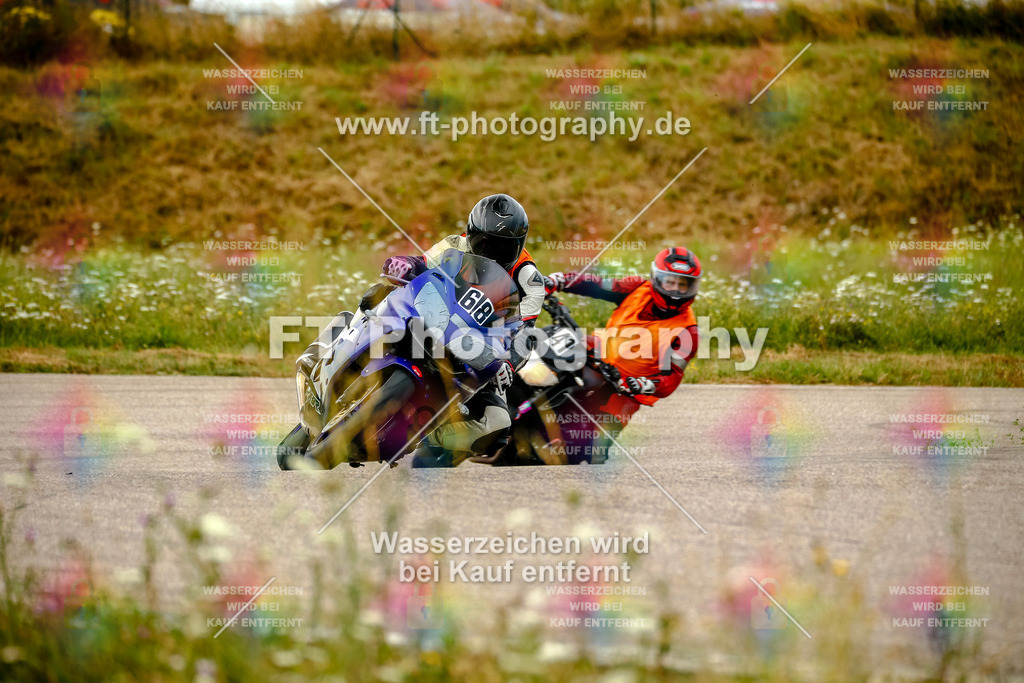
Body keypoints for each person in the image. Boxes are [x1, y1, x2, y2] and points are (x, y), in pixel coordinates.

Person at [358, 194, 546, 467]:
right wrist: (406, 264)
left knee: (497, 423)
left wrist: (508, 362)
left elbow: (525, 334)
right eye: (484, 244)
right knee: (378, 297)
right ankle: (346, 344)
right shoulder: (455, 244)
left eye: (503, 249)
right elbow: (421, 263)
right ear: (471, 234)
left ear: (520, 245)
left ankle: (425, 435)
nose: (492, 254)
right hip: (428, 319)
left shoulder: (529, 280)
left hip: (476, 351)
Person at [543, 247, 701, 426]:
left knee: (592, 445)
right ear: (656, 278)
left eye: (683, 285)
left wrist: (645, 385)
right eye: (670, 282)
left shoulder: (689, 331)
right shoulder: (636, 288)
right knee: (547, 345)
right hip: (596, 355)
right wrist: (560, 281)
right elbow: (597, 284)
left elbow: (671, 379)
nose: (675, 290)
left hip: (626, 387)